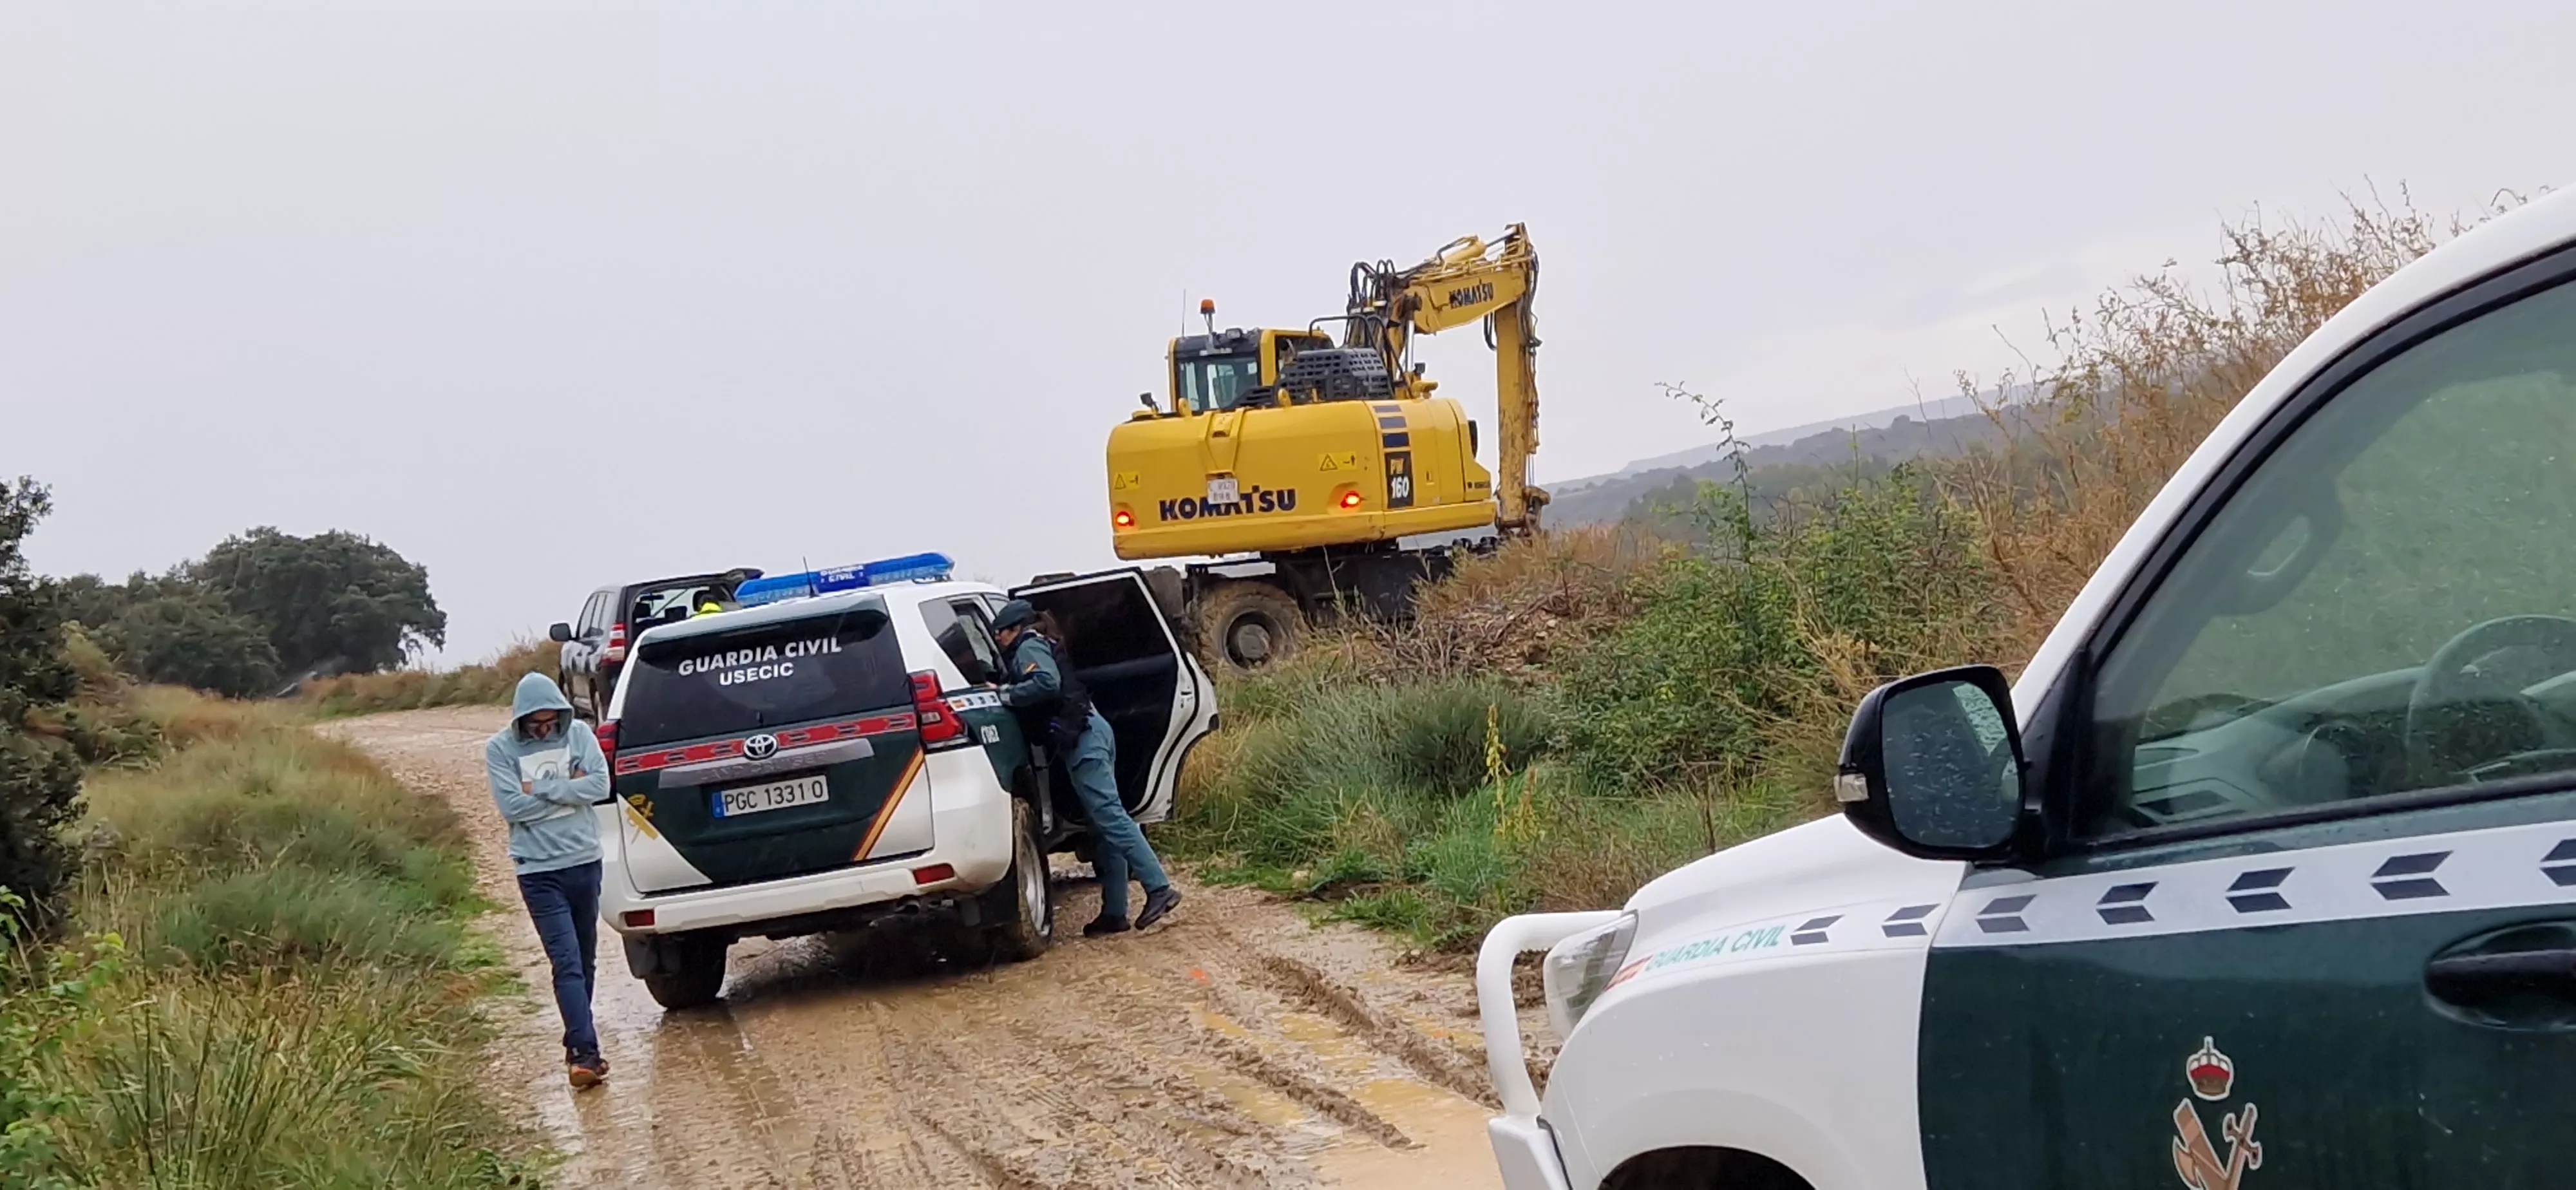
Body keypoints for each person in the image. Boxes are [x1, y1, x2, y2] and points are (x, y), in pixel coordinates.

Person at [990, 599, 1180, 936]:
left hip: (1084, 741)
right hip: (1092, 731)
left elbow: (1046, 683)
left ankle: (1159, 887)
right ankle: (1115, 913)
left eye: (1000, 632)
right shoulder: (1038, 643)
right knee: (1102, 825)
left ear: (1015, 629)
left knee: (1111, 818)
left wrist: (1005, 694)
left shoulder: (1028, 648)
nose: (997, 638)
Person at [484, 673, 613, 1088]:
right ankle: (584, 1054)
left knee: (586, 960)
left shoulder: (578, 734)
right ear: (521, 721)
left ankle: (579, 1039)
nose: (544, 731)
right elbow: (513, 808)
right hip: (537, 871)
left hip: (584, 862)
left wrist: (539, 787)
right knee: (566, 962)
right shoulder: (500, 749)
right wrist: (568, 787)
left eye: (550, 723)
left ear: (560, 714)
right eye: (535, 725)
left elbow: (600, 784)